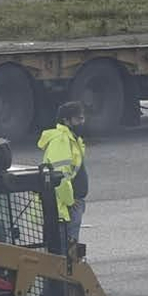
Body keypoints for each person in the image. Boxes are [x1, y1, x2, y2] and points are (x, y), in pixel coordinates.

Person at [38, 101, 89, 245]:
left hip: (70, 206)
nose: (83, 122)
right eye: (78, 119)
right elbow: (60, 177)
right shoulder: (61, 140)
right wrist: (70, 201)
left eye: (83, 118)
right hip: (64, 208)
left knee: (69, 249)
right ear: (66, 121)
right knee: (65, 250)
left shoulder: (72, 139)